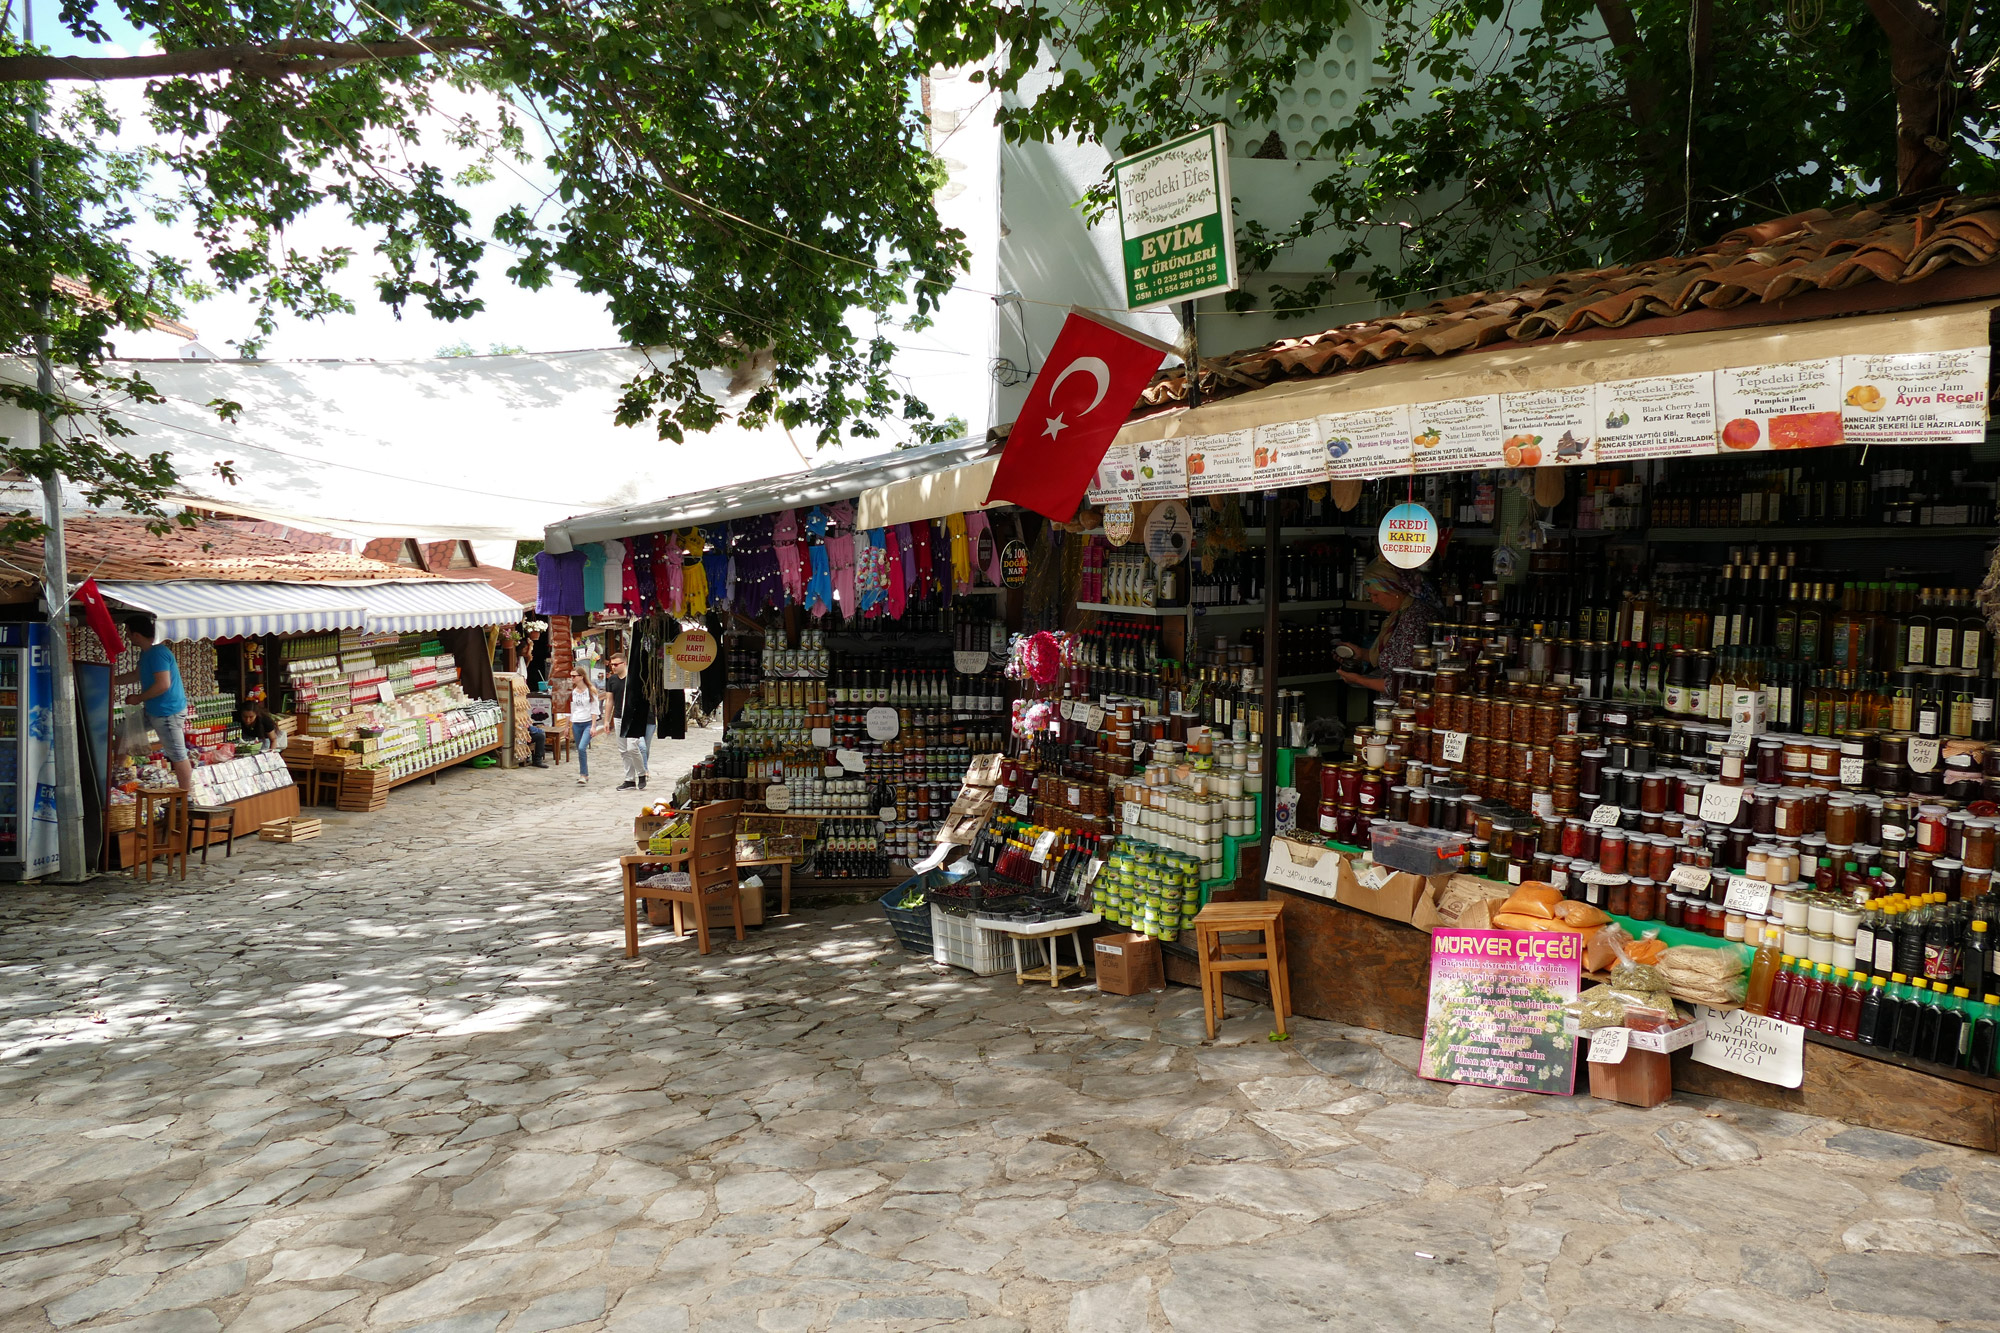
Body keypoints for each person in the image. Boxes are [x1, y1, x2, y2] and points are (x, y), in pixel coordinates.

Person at [1337, 557, 1440, 696]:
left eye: (1375, 594)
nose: (1373, 600)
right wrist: (1362, 655)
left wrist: (1359, 680)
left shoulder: (1414, 619)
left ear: (1393, 590)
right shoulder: (1400, 614)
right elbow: (1396, 659)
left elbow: (1404, 683)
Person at [120, 616, 193, 792]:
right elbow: (137, 675)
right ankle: (119, 775)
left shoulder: (157, 653)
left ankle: (187, 797)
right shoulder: (146, 653)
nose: (127, 636)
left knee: (178, 755)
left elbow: (163, 684)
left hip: (167, 712)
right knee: (121, 731)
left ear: (137, 634)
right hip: (153, 710)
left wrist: (139, 698)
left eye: (128, 632)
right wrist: (110, 680)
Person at [607, 650, 654, 791]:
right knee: (623, 750)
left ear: (624, 663)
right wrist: (606, 720)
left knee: (632, 747)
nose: (613, 667)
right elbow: (610, 701)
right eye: (612, 665)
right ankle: (629, 779)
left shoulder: (634, 678)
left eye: (616, 664)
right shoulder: (612, 680)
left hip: (632, 716)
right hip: (618, 717)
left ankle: (641, 774)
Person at [566, 666, 603, 784]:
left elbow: (594, 709)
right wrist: (567, 726)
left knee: (582, 747)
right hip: (576, 722)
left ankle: (583, 774)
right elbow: (570, 709)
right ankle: (584, 774)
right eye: (571, 676)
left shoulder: (591, 690)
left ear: (581, 677)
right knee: (579, 749)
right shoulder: (572, 692)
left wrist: (593, 725)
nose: (572, 678)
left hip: (587, 722)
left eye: (574, 676)